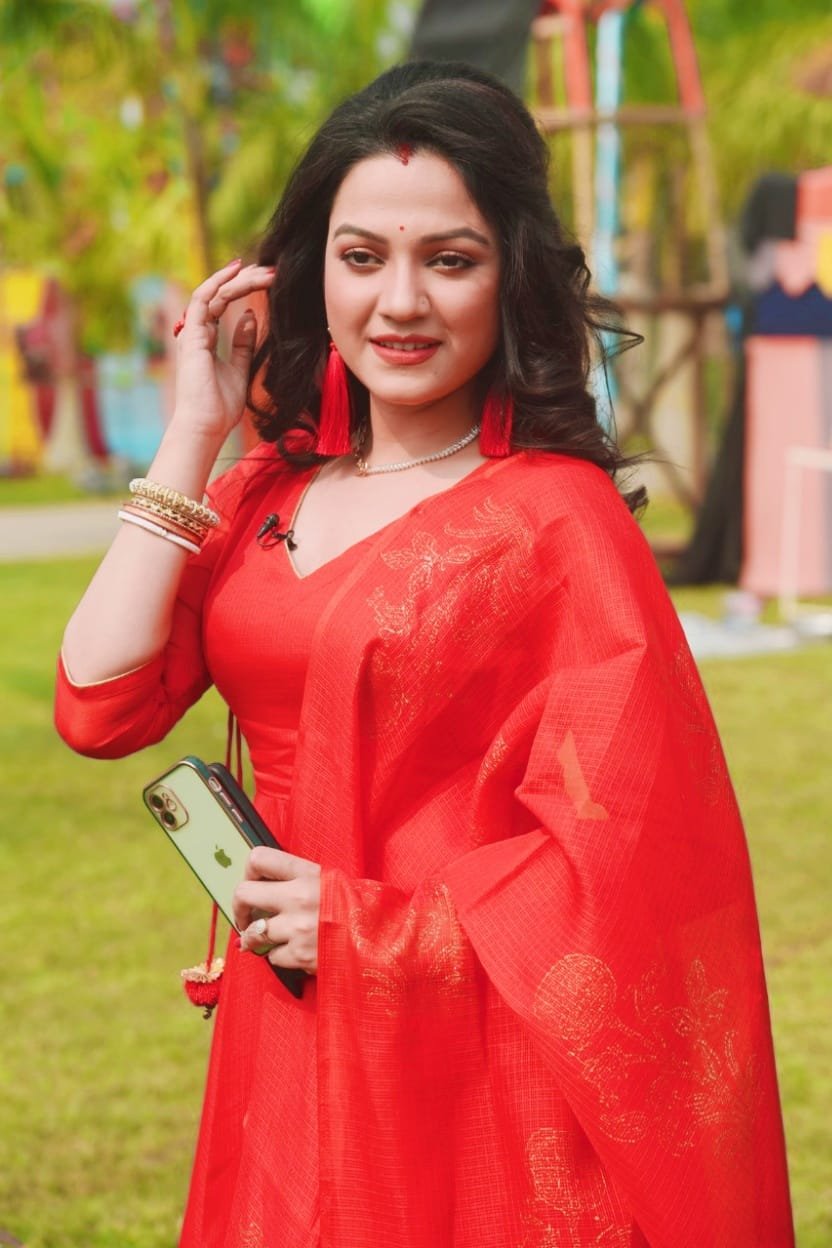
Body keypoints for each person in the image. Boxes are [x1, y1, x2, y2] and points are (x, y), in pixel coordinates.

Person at [55, 61, 794, 1248]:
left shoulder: (557, 522)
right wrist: (196, 427)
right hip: (285, 1011)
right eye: (362, 258)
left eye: (449, 260)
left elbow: (636, 861)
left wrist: (369, 928)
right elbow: (98, 703)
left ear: (510, 276)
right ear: (311, 272)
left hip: (460, 1050)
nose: (399, 302)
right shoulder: (265, 488)